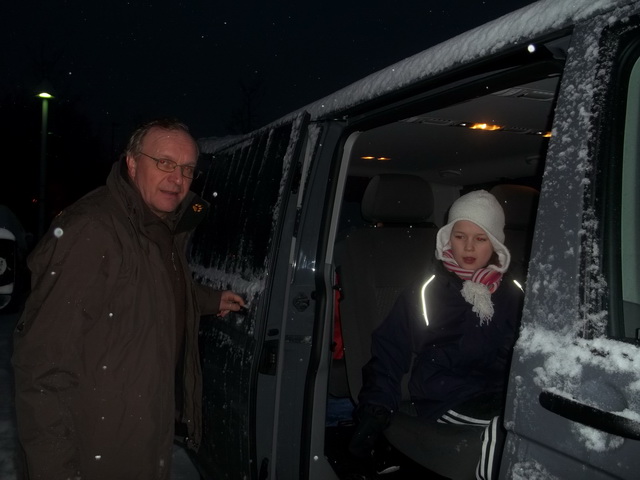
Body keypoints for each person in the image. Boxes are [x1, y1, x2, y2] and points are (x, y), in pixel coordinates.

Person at [12, 118, 245, 480]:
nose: (178, 178)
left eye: (187, 169)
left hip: (140, 431)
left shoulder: (158, 226)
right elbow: (41, 369)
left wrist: (209, 300)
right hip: (97, 446)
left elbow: (149, 288)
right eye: (165, 162)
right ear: (132, 163)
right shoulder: (94, 231)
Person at [348, 190, 523, 479]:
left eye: (480, 238)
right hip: (446, 395)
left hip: (501, 392)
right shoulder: (426, 290)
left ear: (495, 244)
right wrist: (376, 407)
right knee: (506, 427)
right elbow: (390, 348)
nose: (468, 247)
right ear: (447, 239)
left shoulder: (514, 290)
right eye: (460, 236)